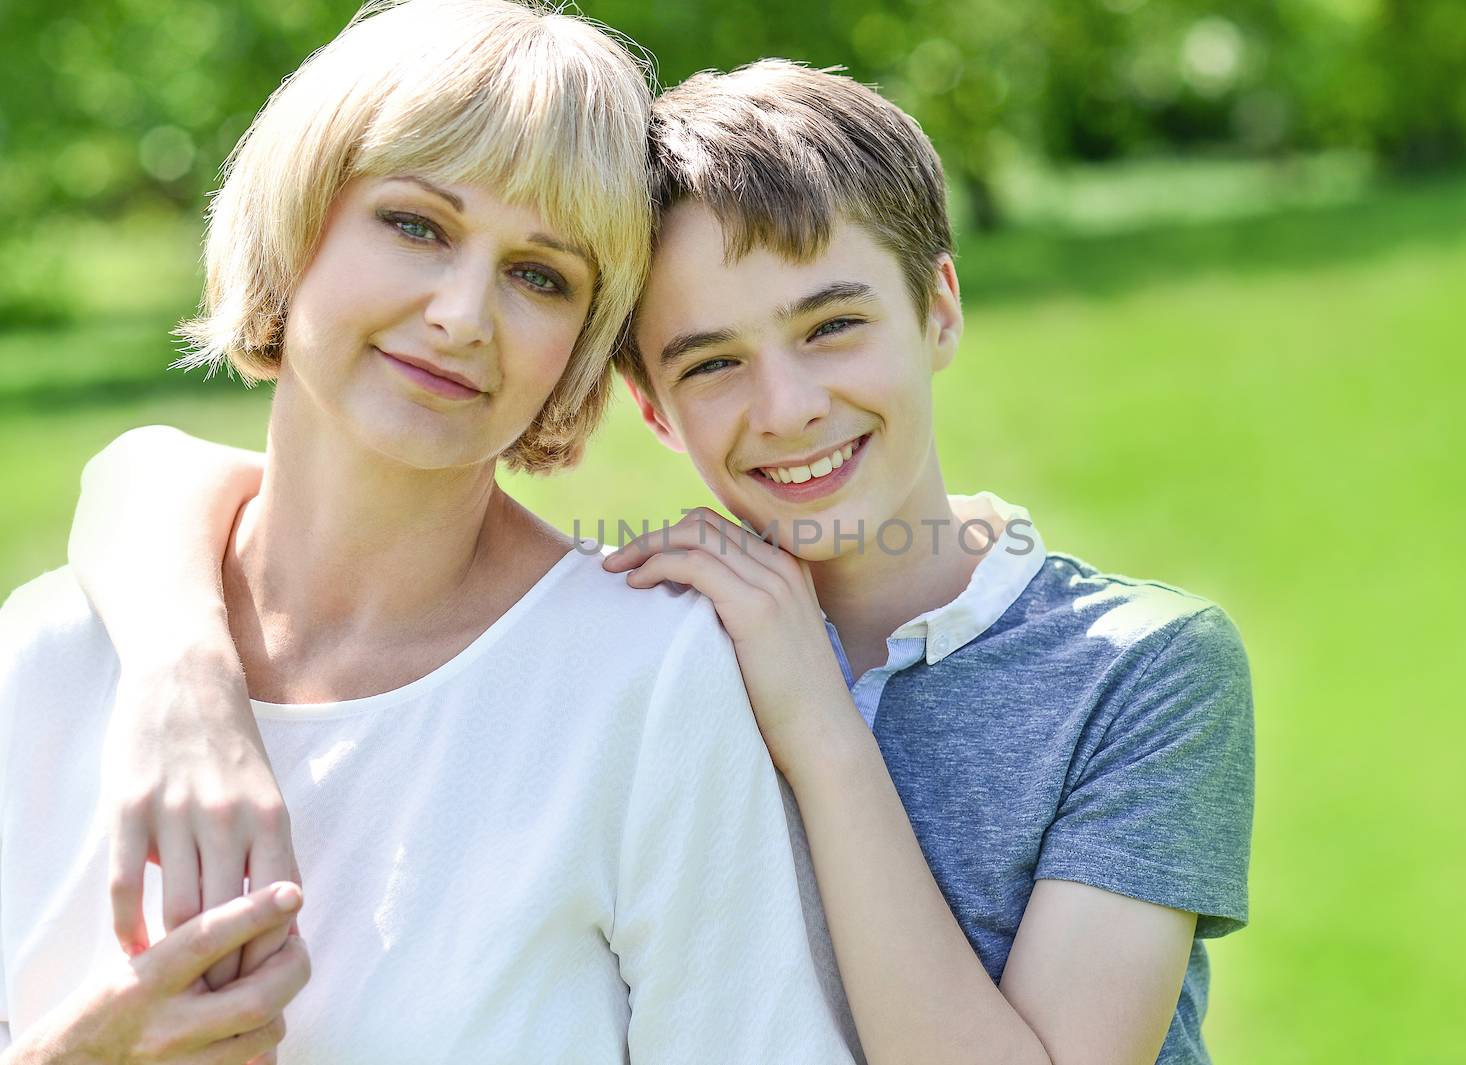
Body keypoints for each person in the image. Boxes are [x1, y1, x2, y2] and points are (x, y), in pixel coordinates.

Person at [63, 60, 1253, 1065]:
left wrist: (819, 728)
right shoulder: (664, 635)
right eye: (710, 362)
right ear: (648, 405)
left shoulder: (1136, 671)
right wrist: (184, 673)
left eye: (833, 325)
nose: (786, 408)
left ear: (938, 308)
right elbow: (155, 473)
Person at [0, 7, 858, 1062]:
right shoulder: (49, 654)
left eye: (540, 276)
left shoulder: (645, 681)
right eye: (416, 225)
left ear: (583, 348)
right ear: (301, 218)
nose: (462, 314)